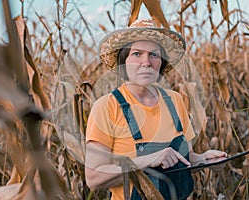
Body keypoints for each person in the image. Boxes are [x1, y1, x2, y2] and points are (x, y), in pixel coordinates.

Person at [84, 19, 227, 200]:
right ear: (124, 61)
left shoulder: (175, 100)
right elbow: (94, 178)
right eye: (137, 54)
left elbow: (184, 159)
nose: (146, 62)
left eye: (154, 55)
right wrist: (148, 160)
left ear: (161, 62)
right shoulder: (106, 107)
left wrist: (205, 159)